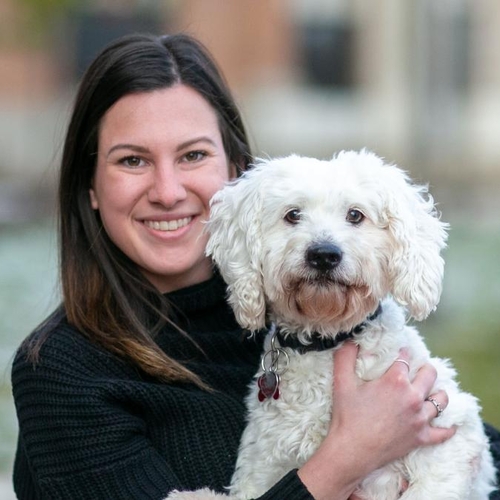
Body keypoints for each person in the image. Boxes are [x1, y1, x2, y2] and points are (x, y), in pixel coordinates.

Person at [11, 32, 499, 500]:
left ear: (234, 172)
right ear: (91, 186)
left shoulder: (314, 327)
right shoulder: (61, 373)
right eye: (132, 161)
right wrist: (348, 458)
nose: (166, 191)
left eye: (193, 155)